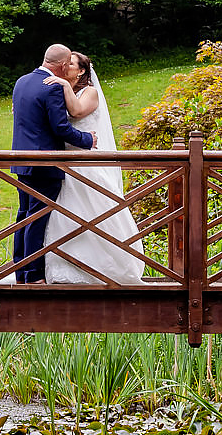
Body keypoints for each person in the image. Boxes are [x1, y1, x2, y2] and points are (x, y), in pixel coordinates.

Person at [39, 53, 145, 284]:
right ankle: (65, 265)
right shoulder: (59, 89)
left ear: (82, 71)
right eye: (65, 63)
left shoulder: (90, 92)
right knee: (66, 213)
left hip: (86, 163)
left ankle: (108, 265)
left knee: (96, 209)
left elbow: (77, 112)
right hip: (65, 163)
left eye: (71, 64)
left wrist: (63, 84)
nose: (66, 67)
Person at [9, 45, 95, 283]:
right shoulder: (52, 88)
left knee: (24, 216)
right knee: (37, 220)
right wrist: (88, 139)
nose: (68, 67)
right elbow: (61, 128)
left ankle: (21, 273)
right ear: (62, 65)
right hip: (44, 165)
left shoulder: (22, 82)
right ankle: (34, 277)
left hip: (21, 162)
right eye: (67, 63)